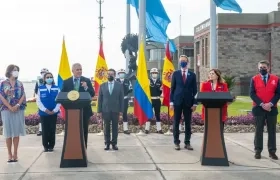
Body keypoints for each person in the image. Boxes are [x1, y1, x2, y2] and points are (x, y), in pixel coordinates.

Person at [250, 60, 280, 160]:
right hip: (258, 108)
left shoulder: (276, 79)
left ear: (268, 68)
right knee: (258, 130)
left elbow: (278, 93)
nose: (262, 69)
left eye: (264, 67)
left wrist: (270, 104)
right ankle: (258, 151)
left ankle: (272, 151)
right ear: (258, 68)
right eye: (260, 67)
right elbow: (252, 93)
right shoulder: (254, 79)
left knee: (272, 130)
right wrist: (262, 104)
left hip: (272, 108)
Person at [61, 63, 95, 148]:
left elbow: (92, 94)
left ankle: (84, 149)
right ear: (73, 71)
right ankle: (74, 149)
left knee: (84, 131)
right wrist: (67, 108)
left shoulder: (86, 80)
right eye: (77, 69)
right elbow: (62, 96)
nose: (79, 71)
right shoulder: (66, 82)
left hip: (84, 110)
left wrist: (86, 87)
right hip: (71, 112)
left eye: (80, 69)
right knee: (73, 131)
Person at [170, 55, 197, 151]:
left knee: (188, 123)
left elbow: (195, 91)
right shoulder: (175, 74)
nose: (183, 62)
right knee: (176, 122)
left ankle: (187, 142)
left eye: (184, 61)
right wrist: (171, 102)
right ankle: (176, 142)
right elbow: (172, 89)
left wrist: (194, 103)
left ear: (187, 62)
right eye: (181, 61)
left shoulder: (192, 75)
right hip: (177, 102)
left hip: (188, 102)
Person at [0, 64, 26, 163]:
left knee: (16, 132)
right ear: (9, 71)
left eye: (17, 70)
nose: (16, 72)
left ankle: (15, 153)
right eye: (14, 70)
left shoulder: (20, 84)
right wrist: (10, 107)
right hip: (6, 110)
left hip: (18, 110)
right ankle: (9, 154)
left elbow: (23, 95)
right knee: (8, 132)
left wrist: (17, 105)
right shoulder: (3, 83)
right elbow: (1, 96)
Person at [97, 68, 124, 151]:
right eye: (108, 74)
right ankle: (107, 144)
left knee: (115, 128)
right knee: (106, 127)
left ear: (115, 75)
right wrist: (99, 111)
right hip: (105, 110)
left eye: (111, 74)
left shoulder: (119, 85)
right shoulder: (102, 86)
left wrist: (121, 112)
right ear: (106, 75)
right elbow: (100, 99)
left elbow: (121, 99)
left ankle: (114, 144)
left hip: (116, 110)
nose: (110, 75)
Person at [36, 72, 61, 152]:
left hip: (53, 112)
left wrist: (54, 110)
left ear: (53, 78)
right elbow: (38, 101)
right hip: (44, 113)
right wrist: (45, 110)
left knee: (52, 129)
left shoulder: (57, 88)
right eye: (47, 77)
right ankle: (45, 146)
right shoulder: (40, 88)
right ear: (44, 79)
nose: (49, 78)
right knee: (45, 129)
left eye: (50, 77)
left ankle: (51, 146)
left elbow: (59, 101)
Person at [145, 68, 163, 134]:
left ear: (157, 74)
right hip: (150, 100)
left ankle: (159, 129)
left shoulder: (160, 82)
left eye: (155, 73)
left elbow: (162, 91)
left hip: (157, 100)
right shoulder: (148, 81)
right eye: (153, 73)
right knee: (149, 114)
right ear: (151, 74)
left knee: (157, 114)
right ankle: (147, 129)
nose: (154, 74)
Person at [116, 69, 132, 135]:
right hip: (117, 100)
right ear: (118, 74)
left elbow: (130, 89)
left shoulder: (127, 81)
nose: (121, 74)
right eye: (120, 73)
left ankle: (125, 129)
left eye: (122, 73)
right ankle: (116, 129)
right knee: (116, 114)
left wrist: (126, 93)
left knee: (124, 113)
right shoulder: (116, 81)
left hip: (125, 99)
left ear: (124, 74)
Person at [34, 68, 49, 136]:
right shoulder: (38, 81)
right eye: (42, 73)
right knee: (41, 115)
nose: (43, 74)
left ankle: (48, 129)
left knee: (50, 115)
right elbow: (36, 91)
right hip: (41, 101)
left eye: (44, 72)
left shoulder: (50, 80)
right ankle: (41, 130)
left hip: (49, 101)